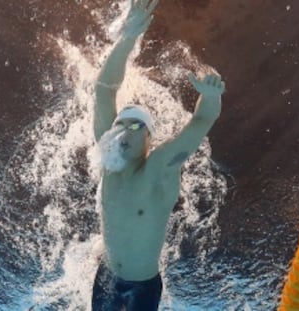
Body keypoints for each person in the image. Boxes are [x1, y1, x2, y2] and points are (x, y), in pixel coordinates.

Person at [91, 0, 225, 310]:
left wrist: (210, 96)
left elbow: (201, 122)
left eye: (136, 124)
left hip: (141, 288)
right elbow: (104, 90)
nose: (124, 129)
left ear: (149, 137)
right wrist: (127, 38)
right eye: (120, 123)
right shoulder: (109, 157)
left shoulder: (158, 167)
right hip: (106, 279)